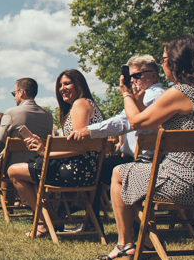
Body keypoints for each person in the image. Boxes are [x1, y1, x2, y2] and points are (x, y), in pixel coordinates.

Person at [99, 34, 194, 260]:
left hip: (184, 184)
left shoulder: (181, 92)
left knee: (119, 173)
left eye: (165, 58)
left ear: (177, 62)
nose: (163, 63)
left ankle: (125, 247)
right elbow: (158, 126)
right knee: (133, 172)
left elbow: (136, 123)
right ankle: (146, 245)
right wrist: (138, 102)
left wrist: (126, 94)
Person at [70, 55, 165, 217]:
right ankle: (91, 218)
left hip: (145, 163)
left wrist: (88, 130)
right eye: (130, 77)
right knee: (99, 165)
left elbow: (123, 122)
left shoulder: (152, 96)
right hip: (139, 159)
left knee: (93, 168)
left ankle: (91, 220)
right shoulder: (146, 95)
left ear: (154, 75)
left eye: (137, 75)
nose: (133, 80)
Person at [11, 70, 104, 235]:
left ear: (79, 84)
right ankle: (50, 220)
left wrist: (45, 152)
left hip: (77, 170)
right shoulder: (87, 104)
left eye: (67, 83)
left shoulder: (80, 104)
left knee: (13, 171)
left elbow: (78, 148)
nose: (62, 88)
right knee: (31, 168)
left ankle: (47, 220)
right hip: (86, 169)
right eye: (60, 85)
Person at [0, 78, 54, 178]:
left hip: (13, 167)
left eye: (14, 94)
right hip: (41, 167)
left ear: (21, 92)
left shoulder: (11, 113)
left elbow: (0, 142)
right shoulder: (48, 116)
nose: (14, 98)